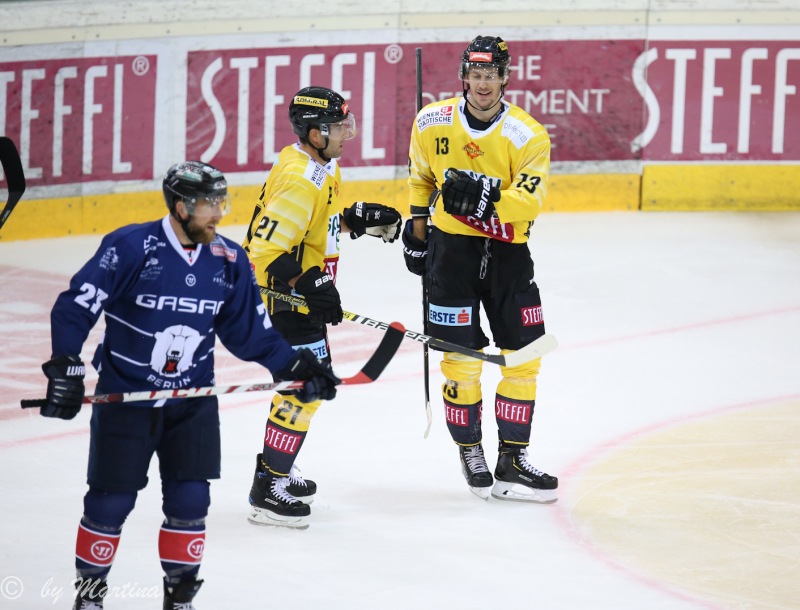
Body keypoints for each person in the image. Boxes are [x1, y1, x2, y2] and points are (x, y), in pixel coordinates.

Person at [37, 161, 338, 610]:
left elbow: (250, 334)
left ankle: (179, 599)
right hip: (128, 399)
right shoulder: (131, 247)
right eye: (208, 203)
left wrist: (297, 367)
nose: (219, 212)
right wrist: (65, 365)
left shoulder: (229, 260)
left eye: (221, 201)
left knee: (191, 502)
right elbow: (75, 308)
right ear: (180, 207)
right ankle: (90, 597)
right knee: (110, 502)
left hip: (192, 402)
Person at [401, 36, 558, 503]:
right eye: (475, 74)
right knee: (461, 361)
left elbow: (530, 199)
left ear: (505, 77)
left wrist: (488, 199)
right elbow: (420, 177)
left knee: (524, 357)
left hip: (509, 253)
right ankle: (471, 452)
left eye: (492, 74)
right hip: (451, 255)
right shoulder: (430, 121)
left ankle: (513, 459)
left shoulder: (529, 134)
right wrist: (418, 231)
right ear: (464, 77)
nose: (483, 83)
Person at [242, 86, 402, 529]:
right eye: (339, 126)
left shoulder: (319, 165)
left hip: (299, 298)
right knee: (304, 389)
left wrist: (356, 221)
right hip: (286, 300)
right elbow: (263, 249)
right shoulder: (301, 178)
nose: (347, 133)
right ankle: (267, 486)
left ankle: (276, 466)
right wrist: (309, 282)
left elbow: (314, 225)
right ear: (315, 134)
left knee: (303, 387)